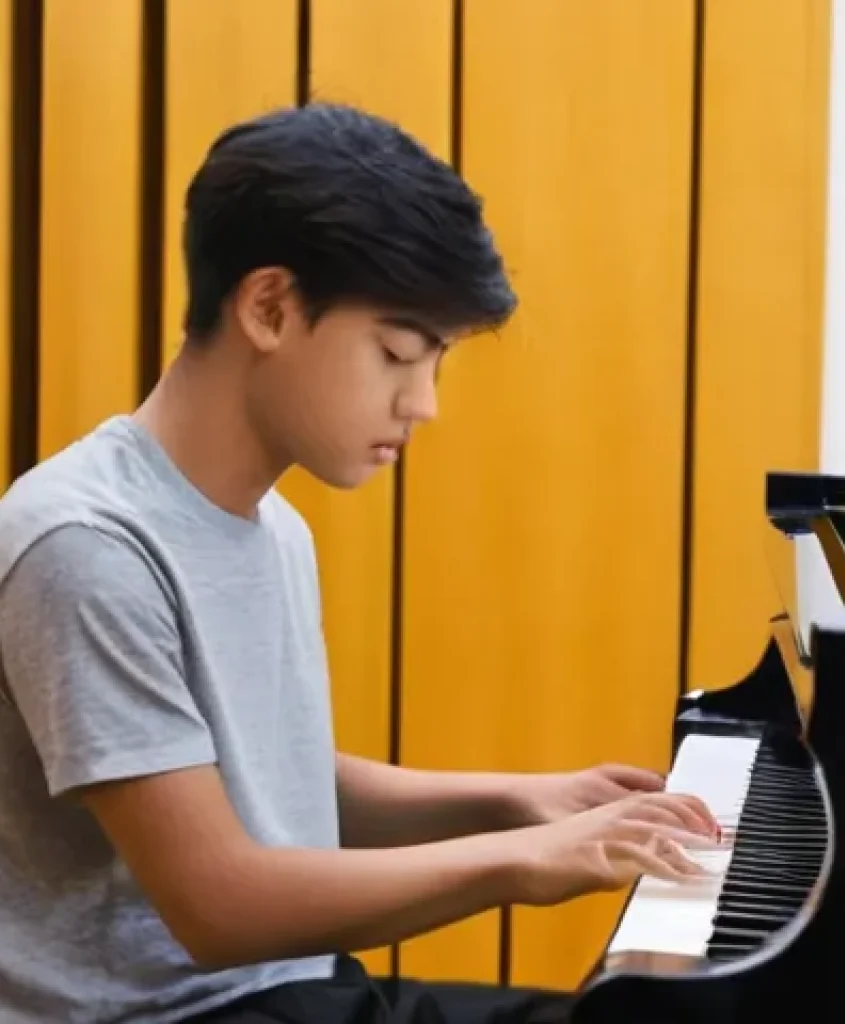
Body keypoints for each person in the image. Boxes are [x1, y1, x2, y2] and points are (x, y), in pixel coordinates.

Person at [0, 103, 720, 1024]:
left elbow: (269, 783)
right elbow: (217, 904)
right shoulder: (86, 544)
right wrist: (526, 862)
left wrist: (516, 800)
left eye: (437, 364)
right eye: (396, 354)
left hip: (288, 993)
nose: (423, 404)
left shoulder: (274, 527)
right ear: (268, 307)